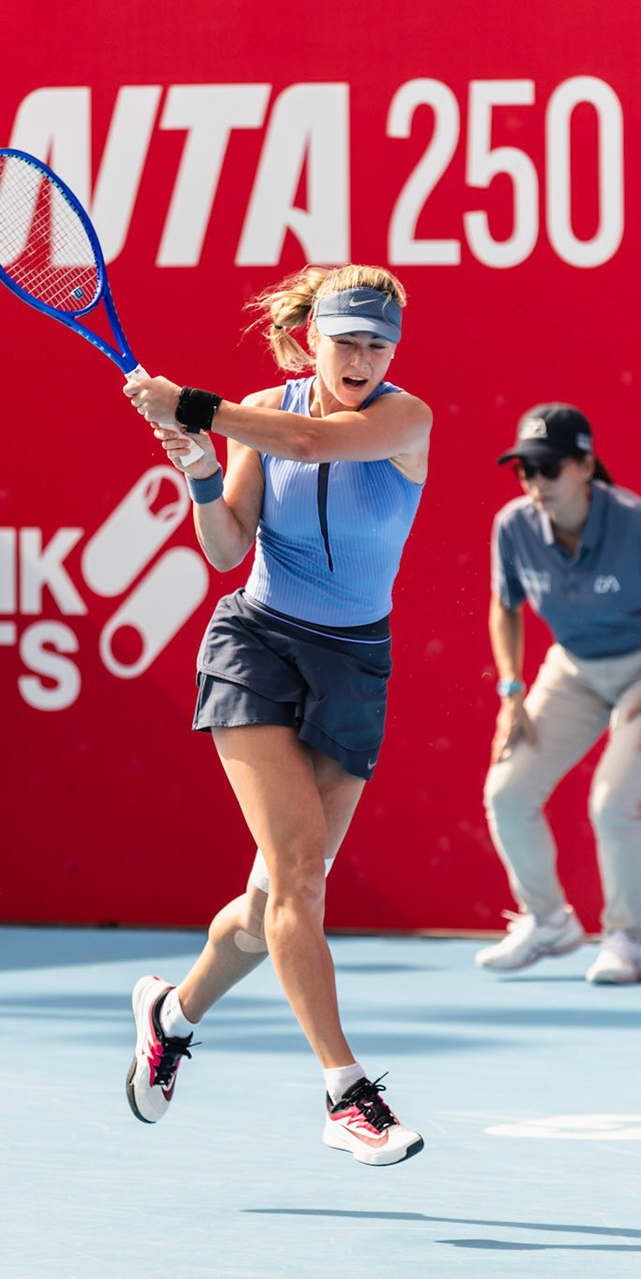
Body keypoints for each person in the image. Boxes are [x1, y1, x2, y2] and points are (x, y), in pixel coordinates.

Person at [119, 266, 432, 1166]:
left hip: (354, 667)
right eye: (347, 342)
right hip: (256, 646)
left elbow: (311, 441)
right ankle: (346, 1093)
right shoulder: (257, 411)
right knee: (299, 872)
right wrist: (202, 472)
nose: (363, 359)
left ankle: (171, 1015)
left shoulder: (406, 421)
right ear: (310, 342)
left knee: (270, 912)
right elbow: (226, 547)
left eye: (379, 345)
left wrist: (193, 408)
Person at [476, 404, 641, 983]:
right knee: (506, 793)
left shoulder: (640, 524)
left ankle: (624, 940)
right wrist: (512, 691)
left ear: (585, 466)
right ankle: (548, 921)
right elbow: (505, 606)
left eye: (549, 468)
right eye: (525, 471)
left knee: (611, 803)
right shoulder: (513, 526)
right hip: (574, 669)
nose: (535, 483)